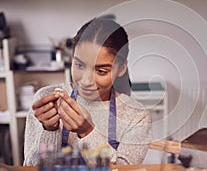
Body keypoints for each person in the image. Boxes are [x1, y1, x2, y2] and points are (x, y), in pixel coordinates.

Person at [23, 17, 152, 165]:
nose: (86, 81)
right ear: (71, 58)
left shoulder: (137, 117)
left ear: (122, 68)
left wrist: (87, 132)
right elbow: (31, 167)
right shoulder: (45, 99)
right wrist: (49, 130)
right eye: (79, 65)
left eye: (101, 71)